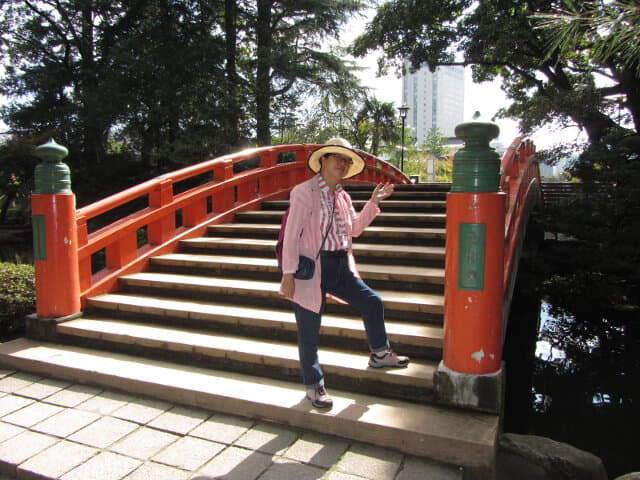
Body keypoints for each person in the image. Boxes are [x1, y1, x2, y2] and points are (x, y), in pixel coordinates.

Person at [279, 138, 409, 409]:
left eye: (347, 160)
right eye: (338, 157)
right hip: (311, 269)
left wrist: (373, 202)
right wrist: (288, 274)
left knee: (372, 302)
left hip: (340, 267)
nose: (343, 163)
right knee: (309, 331)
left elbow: (354, 230)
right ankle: (314, 386)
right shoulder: (304, 192)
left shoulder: (343, 195)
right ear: (323, 160)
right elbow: (291, 236)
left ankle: (379, 353)